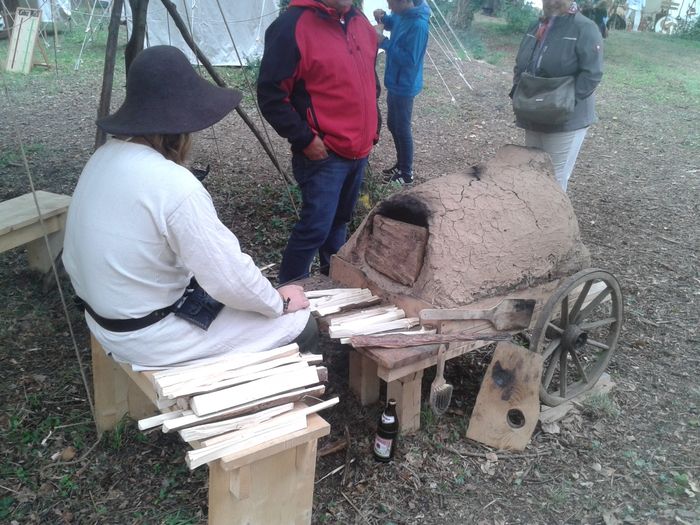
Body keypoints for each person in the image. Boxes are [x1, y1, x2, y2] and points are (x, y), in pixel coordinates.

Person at [62, 46, 316, 370]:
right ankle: (290, 402)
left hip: (102, 319)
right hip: (150, 337)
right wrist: (278, 302)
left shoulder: (102, 157)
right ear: (182, 130)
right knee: (300, 324)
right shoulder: (174, 184)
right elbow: (228, 279)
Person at [257, 0, 381, 284]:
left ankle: (332, 282)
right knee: (315, 227)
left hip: (359, 149)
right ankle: (289, 292)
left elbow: (369, 78)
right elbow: (271, 94)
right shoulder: (292, 26)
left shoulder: (359, 21)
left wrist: (375, 123)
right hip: (323, 154)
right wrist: (304, 138)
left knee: (339, 222)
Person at [511, 0, 603, 192]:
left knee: (553, 177)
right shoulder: (536, 25)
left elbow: (592, 74)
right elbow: (521, 64)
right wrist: (519, 91)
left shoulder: (584, 28)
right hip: (533, 111)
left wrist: (564, 102)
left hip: (566, 118)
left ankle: (553, 221)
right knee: (533, 170)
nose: (551, 1)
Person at [373, 0, 430, 185]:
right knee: (392, 124)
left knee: (402, 128)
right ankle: (401, 163)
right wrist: (384, 18)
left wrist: (385, 43)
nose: (390, 7)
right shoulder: (402, 12)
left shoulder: (418, 25)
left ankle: (406, 173)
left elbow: (410, 60)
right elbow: (393, 22)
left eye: (392, 4)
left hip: (405, 85)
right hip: (394, 81)